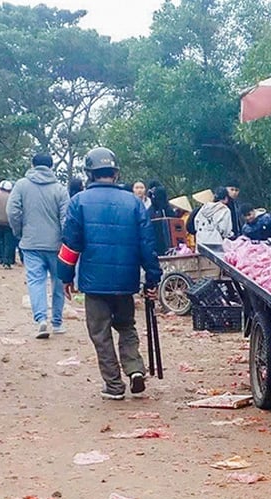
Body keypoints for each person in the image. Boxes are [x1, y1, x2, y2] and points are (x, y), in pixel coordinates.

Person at [57, 147, 162, 400]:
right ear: (116, 173)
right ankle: (135, 369)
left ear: (90, 174)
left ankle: (114, 386)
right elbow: (147, 245)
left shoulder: (78, 202)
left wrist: (65, 276)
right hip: (126, 282)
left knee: (100, 333)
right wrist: (153, 277)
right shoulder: (134, 203)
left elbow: (71, 244)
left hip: (94, 282)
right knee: (126, 326)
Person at [8, 154, 70, 338]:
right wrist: (64, 239)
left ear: (32, 165)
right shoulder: (60, 189)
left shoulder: (21, 185)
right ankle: (57, 323)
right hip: (56, 245)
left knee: (36, 281)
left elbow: (12, 211)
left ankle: (41, 319)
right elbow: (66, 218)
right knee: (58, 283)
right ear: (51, 167)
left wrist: (19, 231)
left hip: (31, 242)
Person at [0, 180, 14, 269]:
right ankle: (7, 262)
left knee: (0, 241)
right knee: (8, 243)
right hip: (8, 223)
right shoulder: (11, 197)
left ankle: (0, 259)